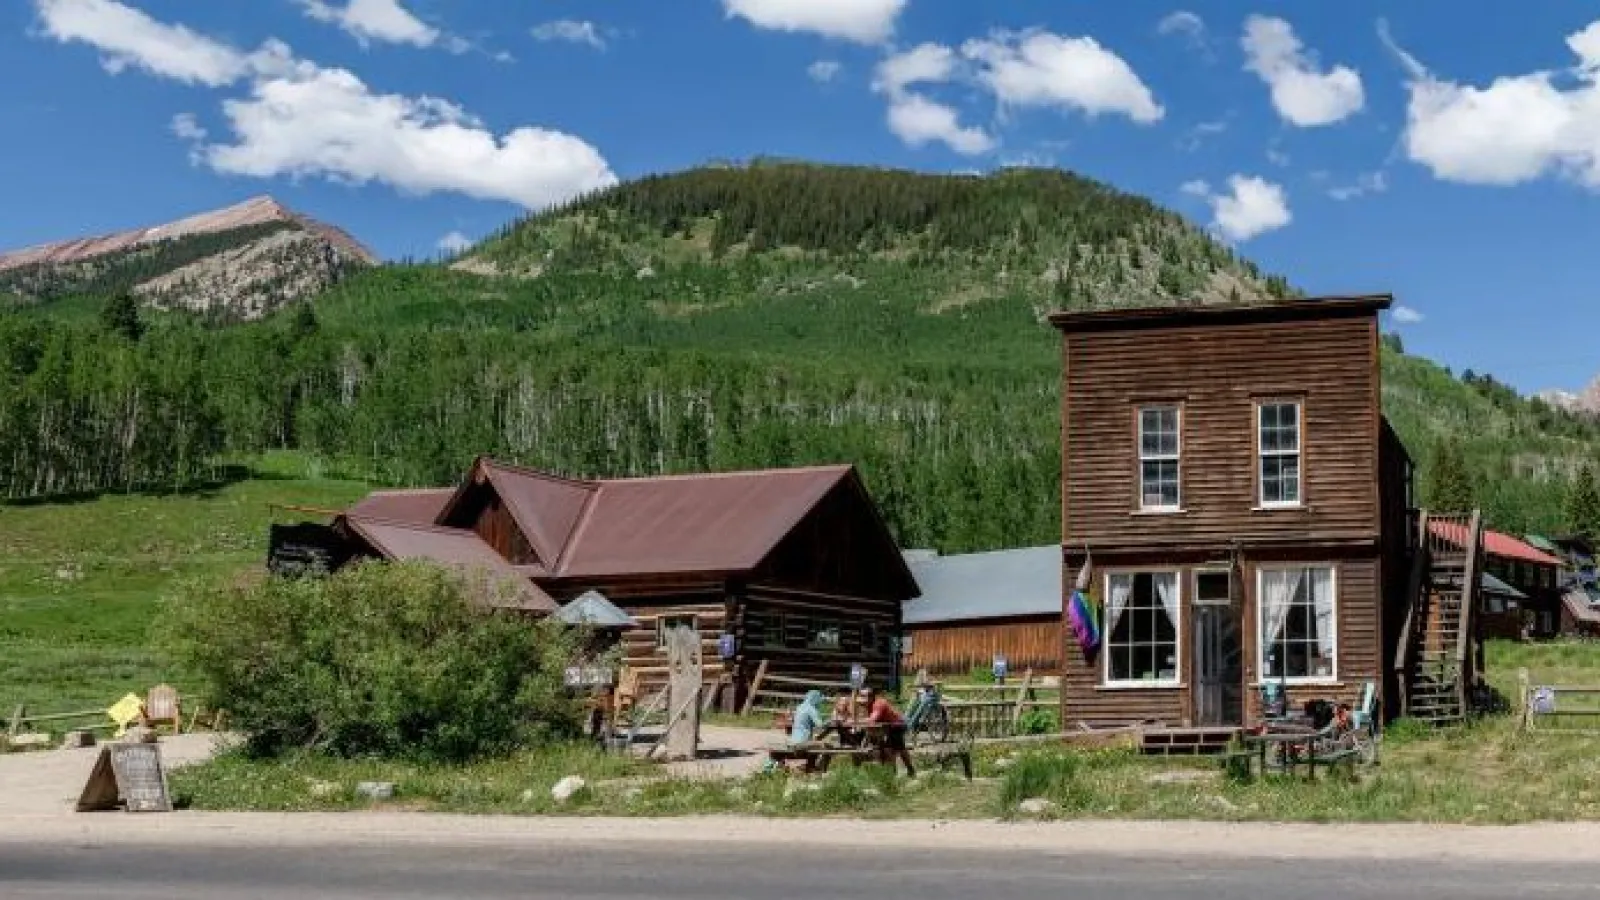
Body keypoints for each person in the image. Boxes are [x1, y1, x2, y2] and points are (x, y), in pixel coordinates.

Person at [860, 686, 915, 777]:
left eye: (865, 696)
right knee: (885, 749)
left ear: (872, 696)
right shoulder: (867, 705)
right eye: (861, 696)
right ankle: (892, 773)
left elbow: (872, 720)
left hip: (896, 725)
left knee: (897, 749)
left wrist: (857, 720)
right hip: (885, 727)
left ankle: (907, 770)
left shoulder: (879, 704)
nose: (863, 699)